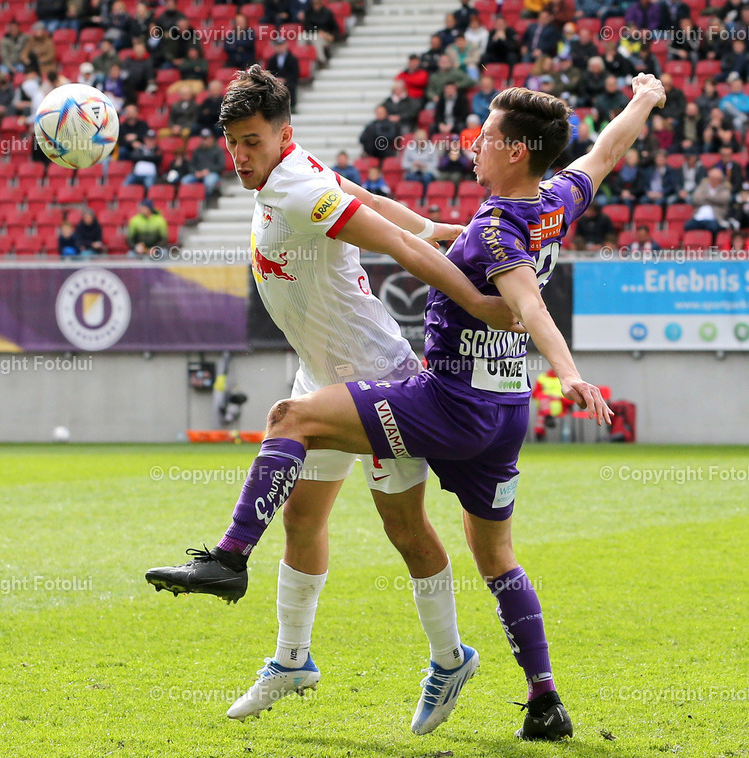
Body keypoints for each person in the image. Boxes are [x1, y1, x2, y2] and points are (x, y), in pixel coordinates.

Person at [148, 72, 663, 742]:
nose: (471, 145)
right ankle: (539, 698)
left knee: (330, 461)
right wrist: (645, 99)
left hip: (434, 396)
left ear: (512, 152)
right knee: (483, 552)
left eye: (484, 137)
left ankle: (239, 564)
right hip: (500, 404)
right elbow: (607, 153)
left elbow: (521, 301)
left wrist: (566, 371)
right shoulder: (556, 197)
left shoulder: (502, 226)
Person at [685, 168, 732, 235]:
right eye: (712, 178)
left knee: (714, 228)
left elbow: (724, 199)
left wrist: (705, 197)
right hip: (698, 217)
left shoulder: (724, 187)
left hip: (715, 218)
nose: (713, 180)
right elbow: (696, 198)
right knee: (688, 226)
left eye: (716, 179)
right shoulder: (703, 185)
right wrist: (713, 200)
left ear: (720, 180)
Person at [531, 368, 574, 441]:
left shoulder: (566, 379)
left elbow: (571, 398)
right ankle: (548, 418)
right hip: (546, 405)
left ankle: (539, 433)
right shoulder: (542, 378)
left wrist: (558, 398)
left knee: (541, 413)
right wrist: (548, 397)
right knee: (542, 398)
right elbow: (534, 394)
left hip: (560, 406)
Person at [183, 129, 226, 198]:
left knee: (209, 182)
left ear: (211, 138)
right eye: (203, 138)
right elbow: (191, 165)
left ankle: (205, 200)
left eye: (207, 138)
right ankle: (192, 200)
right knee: (185, 181)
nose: (205, 141)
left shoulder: (218, 150)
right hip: (198, 174)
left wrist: (208, 171)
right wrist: (195, 172)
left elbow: (221, 166)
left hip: (212, 173)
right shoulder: (197, 150)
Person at [266, 39, 300, 111]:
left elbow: (295, 73)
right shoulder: (272, 59)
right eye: (277, 46)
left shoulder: (293, 59)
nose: (279, 47)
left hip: (288, 81)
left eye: (280, 45)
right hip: (275, 81)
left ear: (285, 45)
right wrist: (275, 79)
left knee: (290, 86)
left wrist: (285, 79)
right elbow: (269, 72)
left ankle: (292, 106)